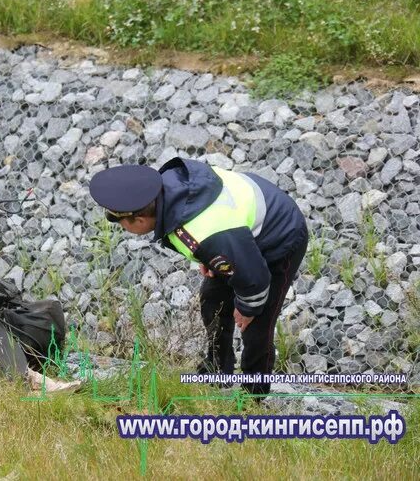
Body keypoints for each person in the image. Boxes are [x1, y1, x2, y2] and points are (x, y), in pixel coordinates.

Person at [88, 157, 308, 395]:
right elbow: (219, 242)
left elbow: (255, 277)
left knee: (257, 327)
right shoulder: (170, 192)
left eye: (123, 224)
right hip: (238, 237)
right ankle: (217, 370)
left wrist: (247, 307)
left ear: (140, 220)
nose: (123, 228)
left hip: (280, 237)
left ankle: (253, 394)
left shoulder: (204, 231)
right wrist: (210, 257)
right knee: (212, 299)